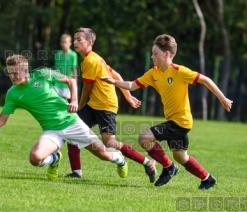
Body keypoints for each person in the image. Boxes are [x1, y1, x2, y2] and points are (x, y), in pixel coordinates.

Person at [0, 55, 128, 180]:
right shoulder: (12, 94)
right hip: (52, 131)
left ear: (26, 71)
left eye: (16, 73)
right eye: (10, 73)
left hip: (72, 123)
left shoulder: (42, 74)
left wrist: (75, 100)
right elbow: (1, 119)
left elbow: (70, 80)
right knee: (35, 159)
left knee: (104, 155)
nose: (12, 76)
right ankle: (54, 158)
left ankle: (120, 160)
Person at [100, 34, 233, 189]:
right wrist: (114, 81)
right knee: (181, 156)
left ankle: (169, 167)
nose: (152, 56)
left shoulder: (179, 71)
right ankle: (207, 178)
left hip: (180, 122)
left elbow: (206, 80)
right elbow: (131, 85)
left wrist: (223, 99)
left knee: (144, 137)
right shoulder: (153, 73)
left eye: (155, 53)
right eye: (152, 53)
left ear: (167, 54)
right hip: (174, 121)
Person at [65, 27, 157, 183]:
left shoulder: (91, 60)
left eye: (79, 39)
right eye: (74, 39)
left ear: (89, 42)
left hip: (106, 105)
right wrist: (128, 97)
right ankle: (76, 172)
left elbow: (86, 89)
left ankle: (148, 162)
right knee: (71, 130)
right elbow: (116, 75)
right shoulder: (93, 58)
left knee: (110, 143)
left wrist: (79, 107)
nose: (75, 42)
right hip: (95, 104)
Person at [53, 34, 78, 101]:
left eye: (66, 42)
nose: (64, 44)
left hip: (67, 83)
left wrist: (75, 82)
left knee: (64, 102)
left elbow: (74, 69)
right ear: (61, 43)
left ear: (70, 43)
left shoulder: (73, 55)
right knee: (56, 101)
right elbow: (55, 68)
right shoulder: (58, 54)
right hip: (58, 82)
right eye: (63, 42)